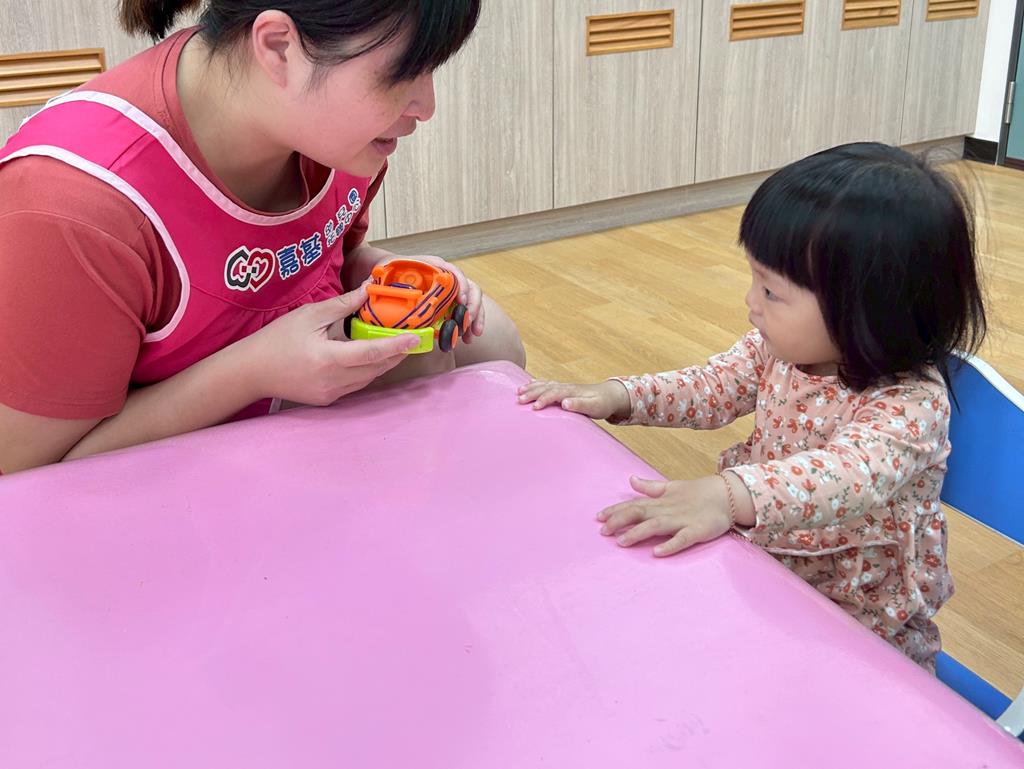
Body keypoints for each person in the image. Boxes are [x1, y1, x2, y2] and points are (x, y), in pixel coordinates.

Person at [0, 0, 524, 474]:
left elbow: (331, 257)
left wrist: (388, 273)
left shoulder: (334, 140)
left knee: (492, 343)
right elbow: (27, 471)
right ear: (278, 47)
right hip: (154, 465)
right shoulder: (76, 207)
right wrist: (251, 373)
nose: (426, 106)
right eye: (403, 71)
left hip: (292, 384)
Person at [519, 143, 987, 669]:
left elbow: (845, 476)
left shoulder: (910, 404)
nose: (750, 301)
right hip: (764, 580)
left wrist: (727, 494)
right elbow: (710, 387)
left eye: (770, 291)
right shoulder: (780, 351)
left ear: (868, 311)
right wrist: (619, 396)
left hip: (862, 638)